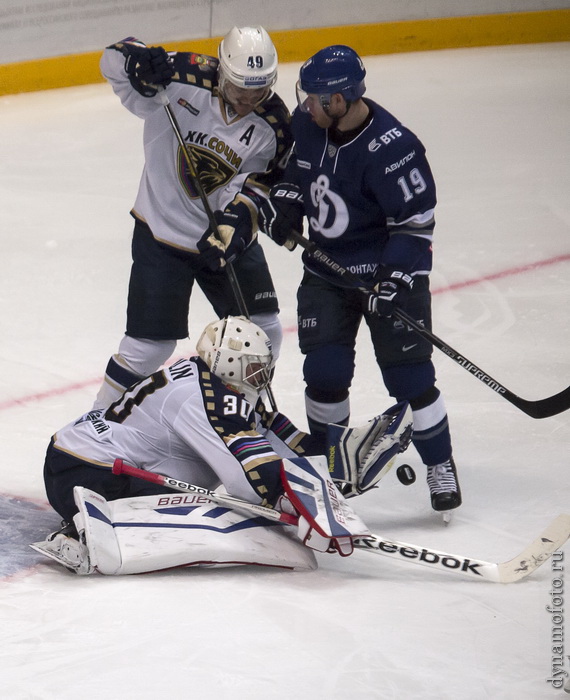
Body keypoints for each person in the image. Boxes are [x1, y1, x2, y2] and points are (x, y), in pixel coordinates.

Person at [33, 316, 412, 575]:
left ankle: (95, 521)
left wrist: (338, 459)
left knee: (229, 499)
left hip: (75, 457)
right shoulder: (206, 399)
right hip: (89, 475)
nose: (261, 376)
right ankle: (82, 531)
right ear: (228, 364)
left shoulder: (219, 385)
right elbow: (250, 483)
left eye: (264, 367)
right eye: (253, 368)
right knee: (222, 511)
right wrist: (303, 505)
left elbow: (288, 444)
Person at [258, 45, 461, 514]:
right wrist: (286, 209)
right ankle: (330, 474)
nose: (306, 105)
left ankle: (440, 464)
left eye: (315, 98)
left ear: (342, 99)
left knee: (410, 378)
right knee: (324, 375)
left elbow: (415, 224)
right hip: (326, 273)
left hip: (386, 275)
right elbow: (296, 173)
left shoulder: (395, 148)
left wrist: (392, 282)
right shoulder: (309, 124)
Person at [93, 27, 293, 410]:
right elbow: (112, 59)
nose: (249, 101)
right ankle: (94, 424)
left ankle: (241, 415)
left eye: (259, 92)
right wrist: (137, 62)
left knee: (263, 330)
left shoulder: (276, 124)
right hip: (161, 233)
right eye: (240, 91)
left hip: (226, 238)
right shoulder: (181, 76)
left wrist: (236, 222)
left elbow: (262, 182)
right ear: (222, 73)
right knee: (148, 349)